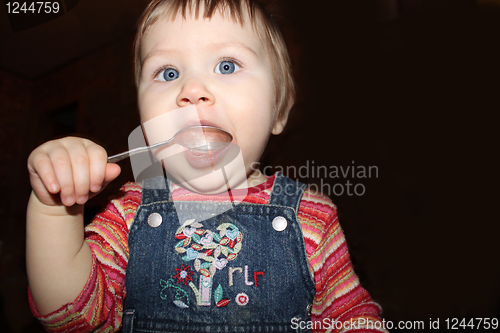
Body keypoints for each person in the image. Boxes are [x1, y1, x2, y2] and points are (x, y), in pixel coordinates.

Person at [26, 0, 387, 332]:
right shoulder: (129, 213)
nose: (192, 89)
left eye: (226, 65)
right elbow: (71, 316)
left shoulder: (313, 217)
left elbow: (353, 319)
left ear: (278, 111)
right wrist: (54, 206)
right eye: (167, 73)